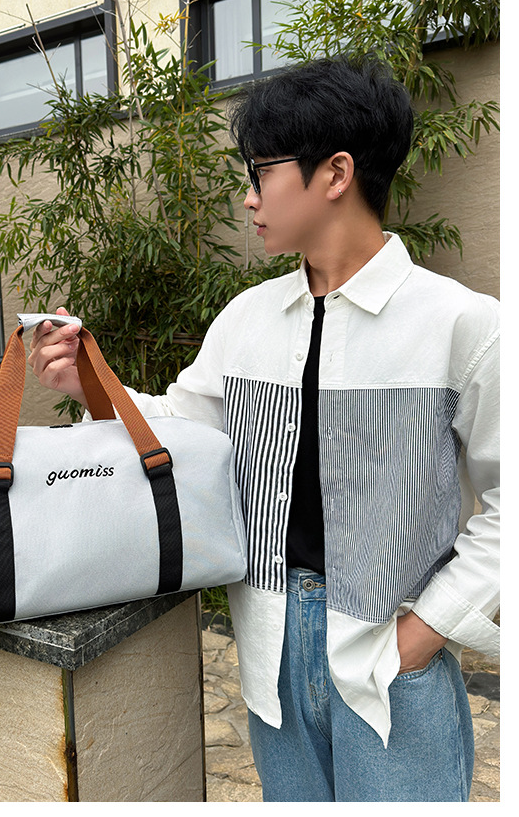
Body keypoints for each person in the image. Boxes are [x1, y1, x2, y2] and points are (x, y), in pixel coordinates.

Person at [26, 54, 499, 802]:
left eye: (260, 171)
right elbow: (180, 433)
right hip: (271, 648)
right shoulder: (247, 320)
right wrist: (88, 379)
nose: (248, 197)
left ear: (335, 173)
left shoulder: (460, 324)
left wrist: (425, 632)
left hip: (392, 656)